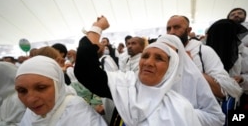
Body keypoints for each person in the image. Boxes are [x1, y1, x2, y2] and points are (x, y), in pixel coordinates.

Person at [74, 16, 202, 126]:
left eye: (159, 58)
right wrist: (97, 27)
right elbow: (86, 70)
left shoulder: (181, 109)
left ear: (171, 68)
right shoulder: (126, 87)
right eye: (145, 56)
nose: (148, 63)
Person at [15, 56, 107, 126]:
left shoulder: (77, 113)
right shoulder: (30, 113)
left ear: (58, 85)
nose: (30, 100)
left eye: (41, 87)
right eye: (22, 91)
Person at [156, 34, 225, 126]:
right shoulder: (148, 79)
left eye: (170, 52)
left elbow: (216, 118)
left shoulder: (194, 78)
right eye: (158, 55)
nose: (165, 55)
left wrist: (181, 112)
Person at [206, 19, 248, 110]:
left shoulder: (244, 52)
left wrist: (242, 79)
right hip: (207, 98)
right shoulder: (203, 51)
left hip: (234, 99)